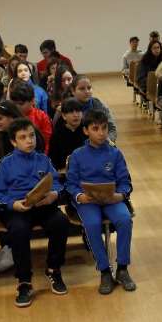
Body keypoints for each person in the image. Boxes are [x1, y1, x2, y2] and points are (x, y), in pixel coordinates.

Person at [0, 118, 71, 307]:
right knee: (19, 231)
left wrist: (54, 195)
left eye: (32, 136)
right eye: (23, 137)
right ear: (13, 142)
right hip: (19, 208)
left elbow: (58, 183)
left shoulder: (43, 159)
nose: (29, 141)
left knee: (60, 223)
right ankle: (24, 280)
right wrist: (13, 205)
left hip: (43, 205)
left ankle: (53, 269)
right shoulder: (5, 164)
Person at [66, 109, 135, 295]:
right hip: (88, 201)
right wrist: (80, 196)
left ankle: (122, 268)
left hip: (112, 199)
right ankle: (105, 270)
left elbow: (125, 181)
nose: (101, 133)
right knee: (92, 223)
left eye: (104, 128)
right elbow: (71, 184)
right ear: (86, 131)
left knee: (124, 219)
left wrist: (120, 195)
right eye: (95, 129)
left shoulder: (115, 153)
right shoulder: (77, 155)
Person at [69, 75, 116, 144]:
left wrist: (106, 141)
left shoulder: (100, 105)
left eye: (89, 88)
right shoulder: (66, 108)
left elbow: (112, 128)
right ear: (73, 91)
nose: (87, 91)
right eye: (82, 89)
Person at [8, 82, 53, 153]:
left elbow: (46, 141)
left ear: (32, 101)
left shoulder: (42, 116)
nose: (17, 107)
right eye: (14, 104)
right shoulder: (10, 116)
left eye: (21, 104)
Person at [48, 98, 87, 171]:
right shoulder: (57, 134)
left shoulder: (87, 130)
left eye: (78, 111)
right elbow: (53, 158)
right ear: (64, 116)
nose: (76, 115)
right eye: (71, 112)